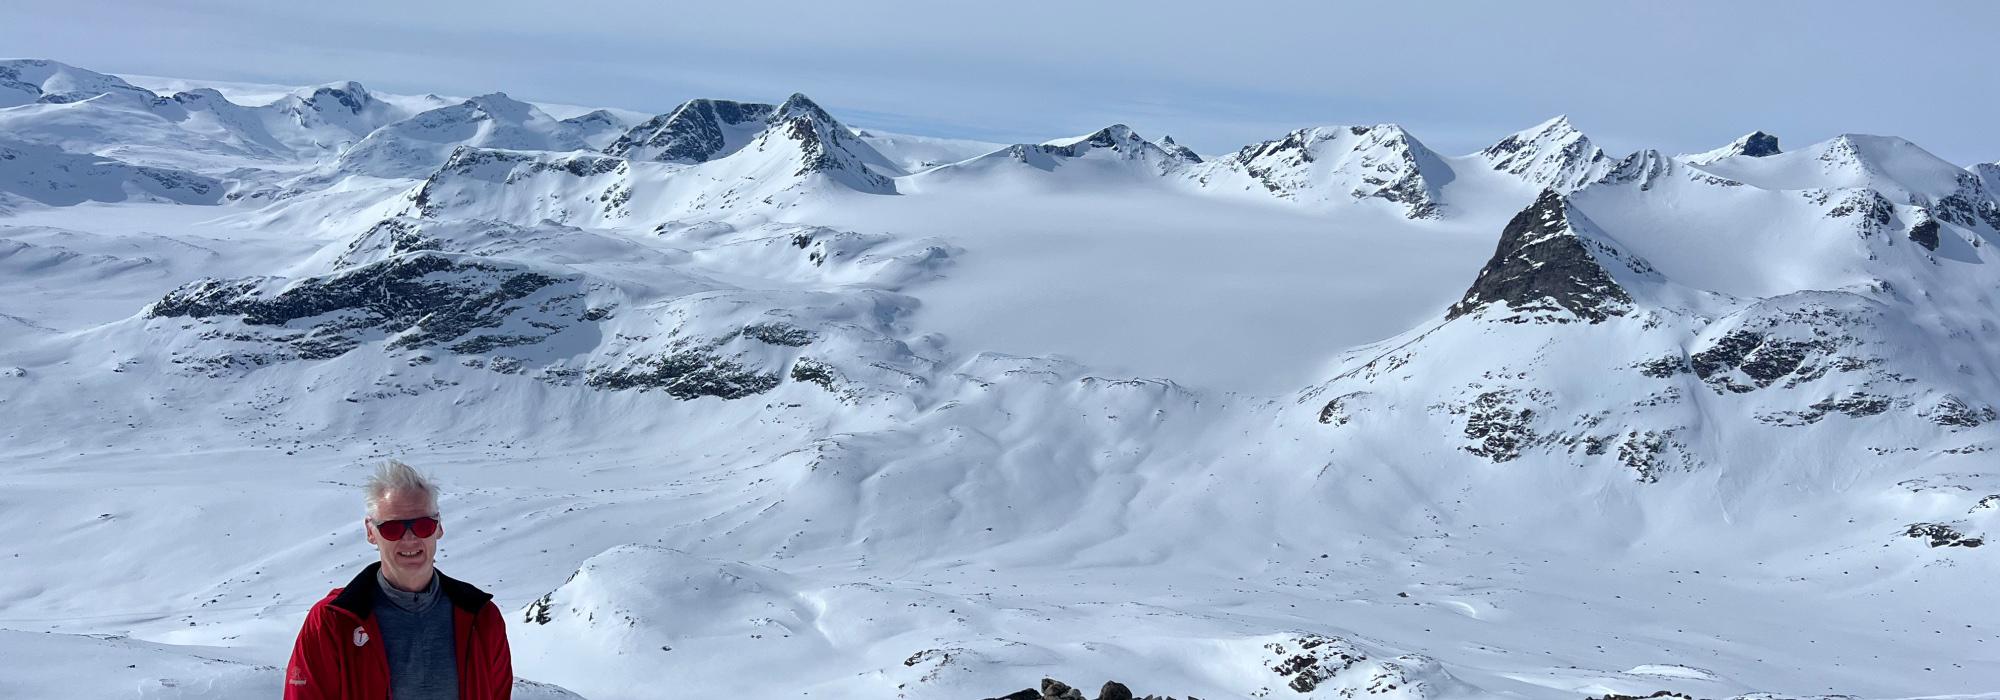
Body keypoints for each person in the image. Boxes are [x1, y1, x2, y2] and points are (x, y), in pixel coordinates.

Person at [285, 459, 512, 699]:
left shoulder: (482, 618)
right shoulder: (331, 623)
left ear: (439, 527)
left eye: (423, 525)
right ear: (371, 532)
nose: (410, 539)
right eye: (392, 528)